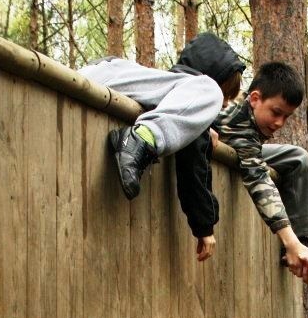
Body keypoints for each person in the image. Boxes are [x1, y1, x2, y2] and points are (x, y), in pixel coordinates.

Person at [78, 32, 245, 262]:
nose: (222, 104)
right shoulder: (202, 87)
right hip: (102, 82)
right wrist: (205, 226)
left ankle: (139, 140)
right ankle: (139, 140)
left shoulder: (162, 89)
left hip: (95, 77)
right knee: (209, 92)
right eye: (225, 95)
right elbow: (193, 159)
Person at [214, 61, 308, 271]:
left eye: (286, 116)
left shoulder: (247, 106)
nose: (280, 123)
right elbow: (259, 181)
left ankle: (306, 239)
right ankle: (297, 242)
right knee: (285, 162)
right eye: (276, 112)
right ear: (255, 99)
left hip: (245, 149)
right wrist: (289, 241)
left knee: (296, 157)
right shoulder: (240, 126)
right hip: (240, 148)